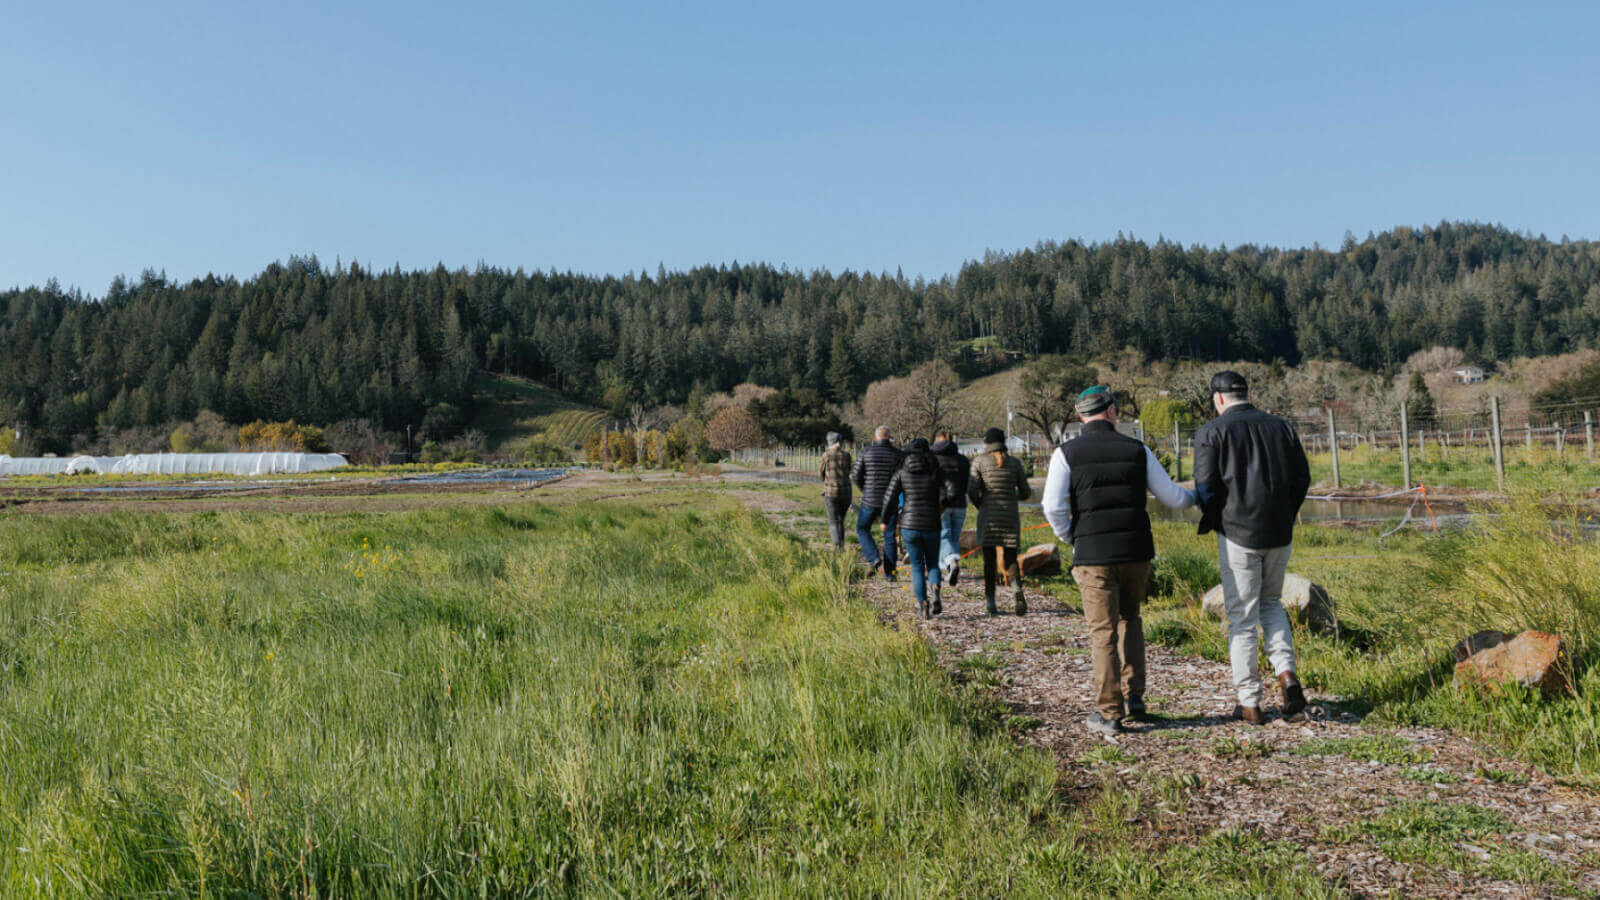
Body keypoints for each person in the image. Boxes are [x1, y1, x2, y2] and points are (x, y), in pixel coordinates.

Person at [1042, 386, 1197, 735]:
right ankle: (1136, 698)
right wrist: (1201, 495)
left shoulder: (1065, 453)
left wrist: (1071, 537)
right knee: (1132, 619)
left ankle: (1110, 712)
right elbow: (1172, 497)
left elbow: (1052, 507)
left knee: (1102, 632)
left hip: (1093, 554)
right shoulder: (1138, 450)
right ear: (1111, 412)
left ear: (1082, 416)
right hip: (1136, 550)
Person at [1193, 370, 1313, 725]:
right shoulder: (1281, 427)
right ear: (1247, 393)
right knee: (1272, 603)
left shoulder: (1212, 432)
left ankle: (1250, 703)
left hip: (1237, 535)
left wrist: (1215, 518)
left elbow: (1205, 486)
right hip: (1279, 533)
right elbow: (1302, 478)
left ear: (1217, 399)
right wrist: (1286, 513)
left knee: (1242, 619)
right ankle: (1286, 674)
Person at [967, 427, 1033, 616]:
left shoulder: (979, 461)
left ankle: (990, 602)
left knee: (989, 561)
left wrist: (982, 504)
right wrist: (1012, 497)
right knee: (1011, 557)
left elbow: (972, 491)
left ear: (987, 443)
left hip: (988, 516)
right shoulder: (1015, 463)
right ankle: (1016, 589)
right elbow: (1026, 492)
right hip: (1010, 516)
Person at [882, 437, 945, 618]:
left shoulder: (902, 473)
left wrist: (885, 519)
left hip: (909, 524)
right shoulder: (936, 471)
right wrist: (940, 509)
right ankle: (935, 589)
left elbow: (889, 498)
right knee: (933, 563)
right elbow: (947, 494)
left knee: (917, 566)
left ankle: (923, 604)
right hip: (932, 523)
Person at [853, 425, 905, 579]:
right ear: (889, 437)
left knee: (862, 528)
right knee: (889, 536)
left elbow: (856, 475)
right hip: (891, 502)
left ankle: (873, 557)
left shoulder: (866, 452)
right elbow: (903, 477)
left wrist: (865, 489)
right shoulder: (898, 455)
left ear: (876, 437)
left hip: (870, 500)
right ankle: (890, 573)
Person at [931, 429, 971, 586]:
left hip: (940, 503)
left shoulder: (932, 459)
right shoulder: (963, 460)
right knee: (953, 537)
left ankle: (950, 561)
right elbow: (967, 483)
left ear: (937, 441)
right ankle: (948, 567)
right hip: (960, 502)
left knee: (943, 536)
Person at [818, 431, 853, 549]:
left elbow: (821, 473)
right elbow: (848, 471)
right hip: (846, 493)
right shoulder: (847, 455)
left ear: (830, 442)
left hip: (831, 492)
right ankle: (841, 544)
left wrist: (826, 480)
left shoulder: (826, 455)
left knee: (833, 520)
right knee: (840, 520)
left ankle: (837, 546)